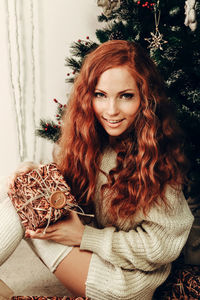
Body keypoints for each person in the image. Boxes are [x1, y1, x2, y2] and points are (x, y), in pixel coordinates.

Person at [0, 40, 194, 300]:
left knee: (21, 201)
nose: (111, 111)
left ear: (144, 99)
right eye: (100, 95)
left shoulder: (158, 158)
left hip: (123, 285)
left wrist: (85, 236)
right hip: (96, 260)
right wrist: (31, 174)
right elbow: (63, 184)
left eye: (126, 96)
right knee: (23, 192)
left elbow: (162, 247)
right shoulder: (94, 141)